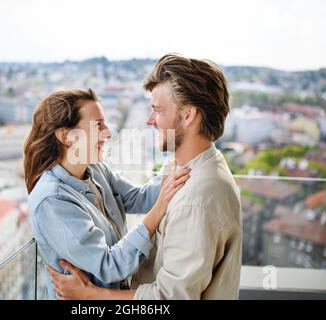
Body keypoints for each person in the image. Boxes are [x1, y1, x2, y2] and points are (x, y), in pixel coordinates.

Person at [48, 53, 243, 300]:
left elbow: (169, 299)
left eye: (158, 111)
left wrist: (92, 294)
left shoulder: (197, 199)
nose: (150, 121)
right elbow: (139, 197)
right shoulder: (193, 170)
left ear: (187, 115)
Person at [24, 88, 191, 299]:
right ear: (66, 136)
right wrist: (159, 210)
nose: (108, 133)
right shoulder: (52, 200)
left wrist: (181, 160)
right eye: (98, 125)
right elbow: (109, 265)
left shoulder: (95, 169)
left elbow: (138, 198)